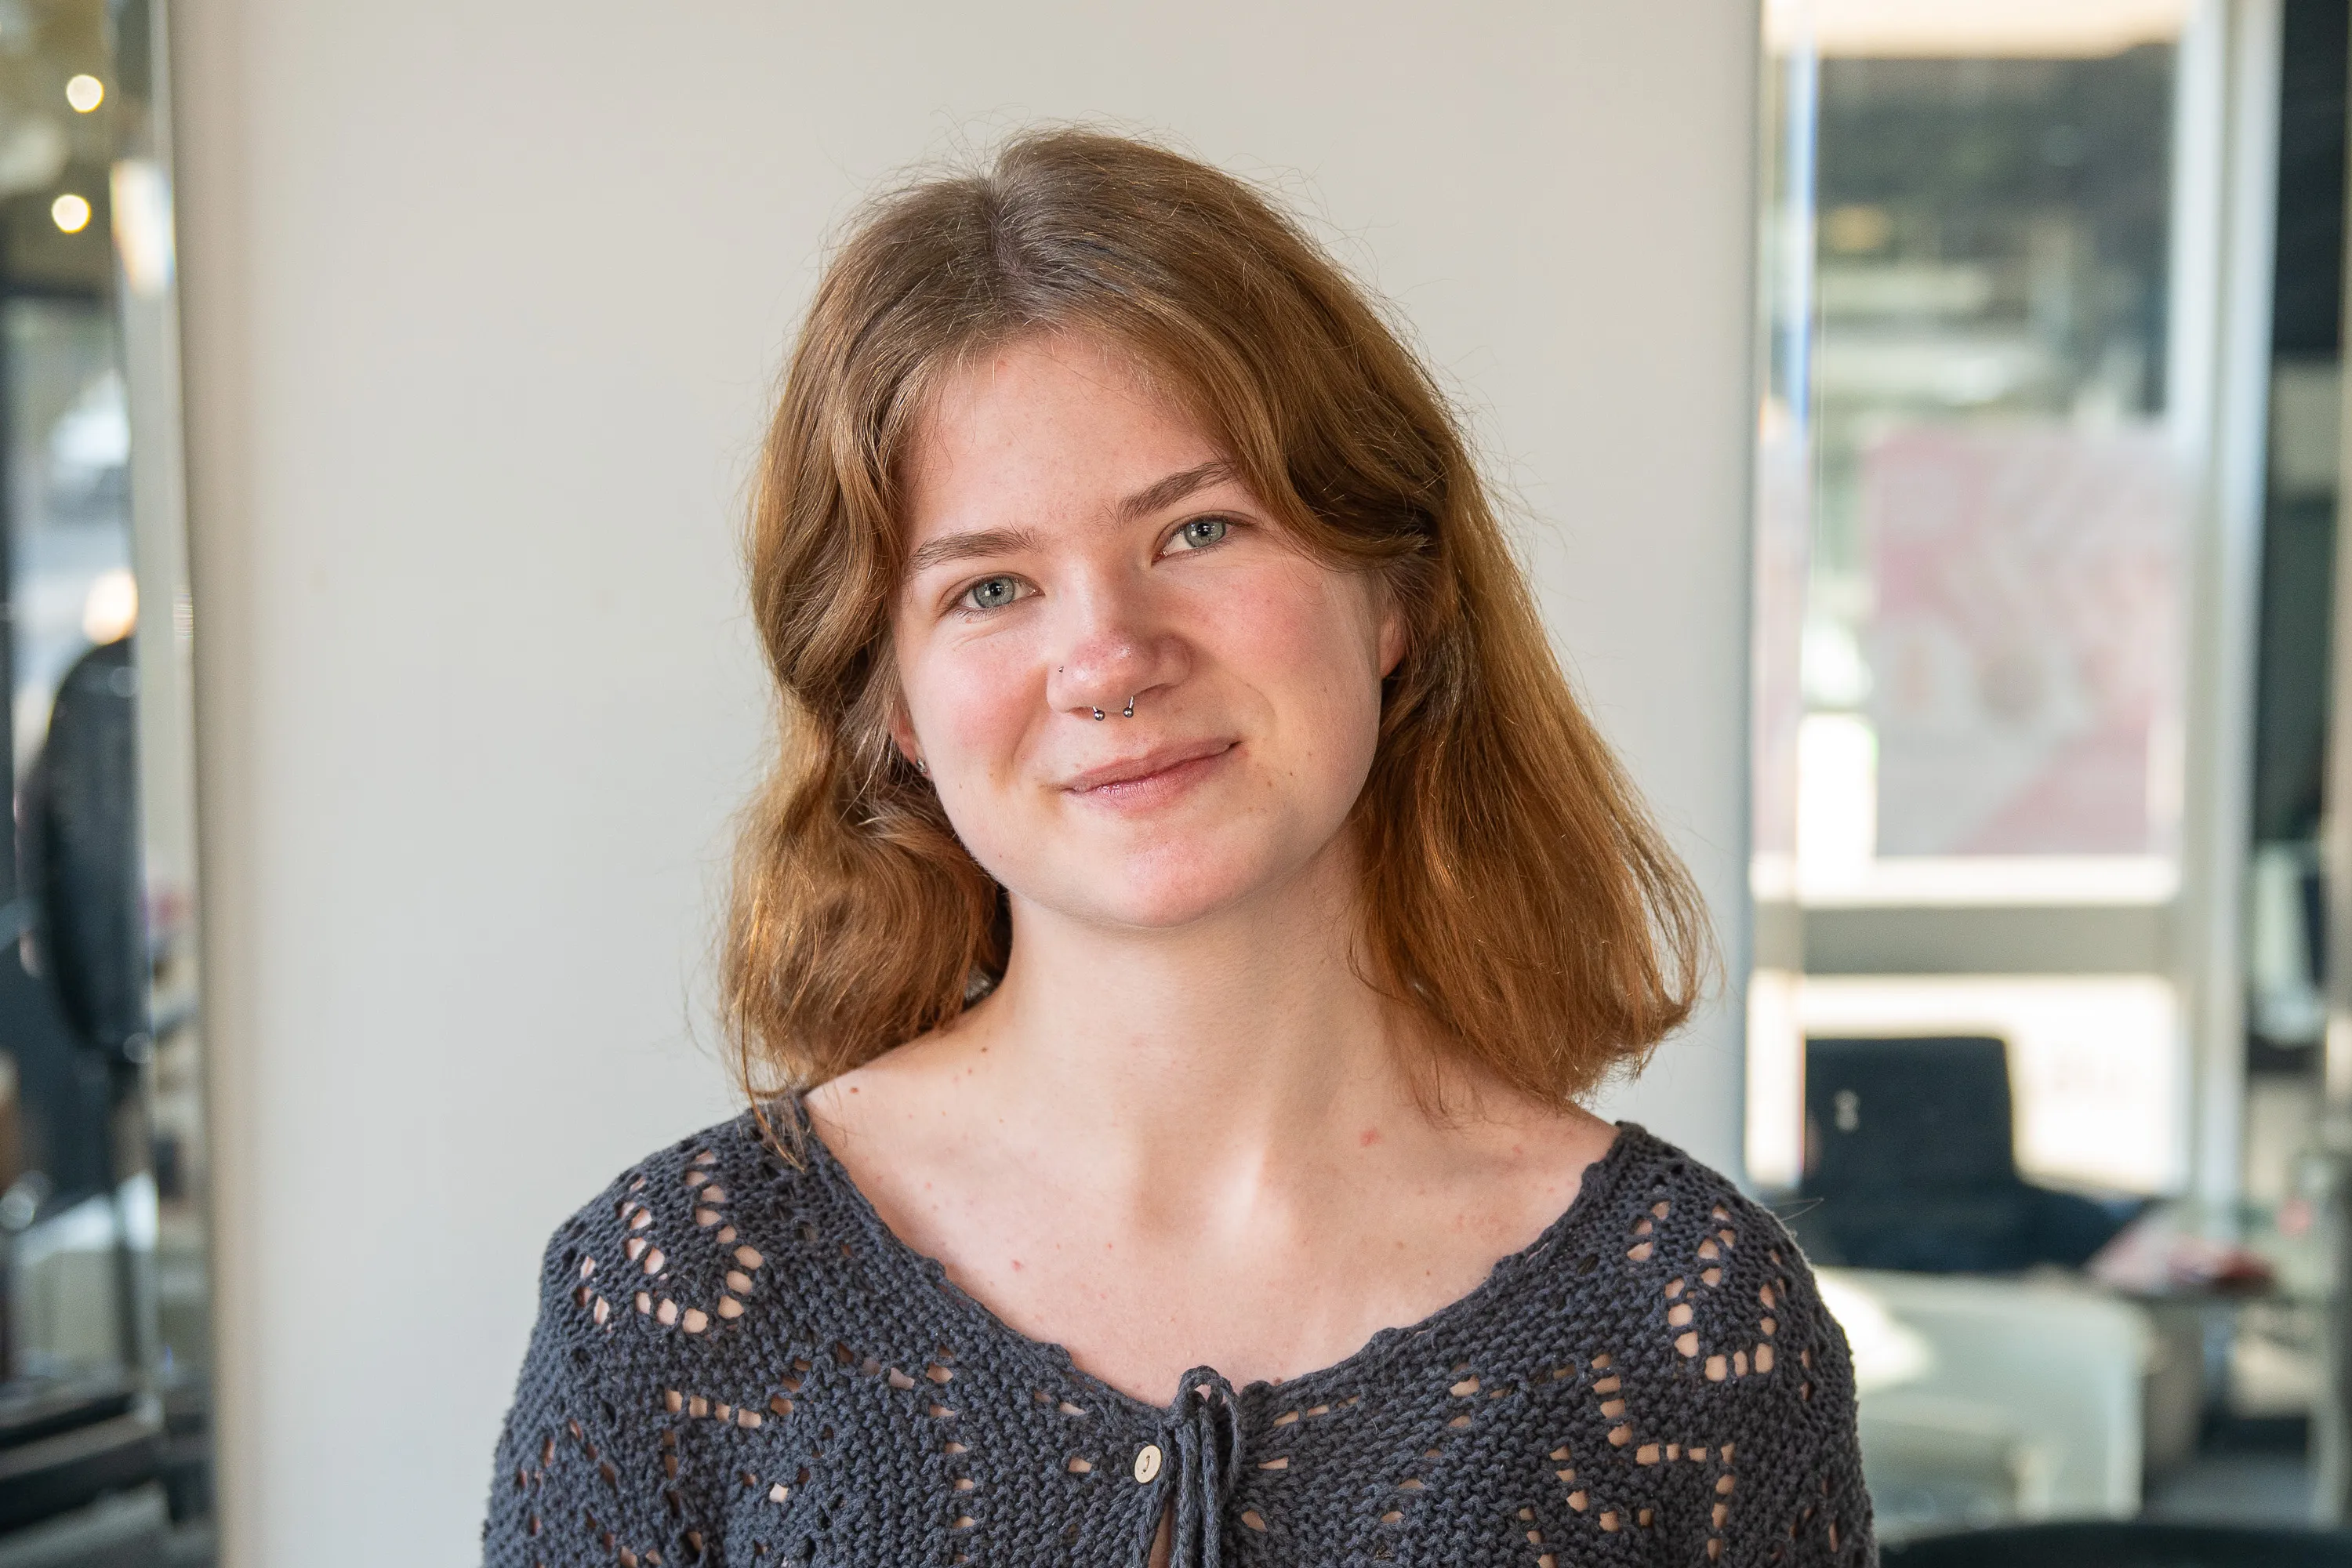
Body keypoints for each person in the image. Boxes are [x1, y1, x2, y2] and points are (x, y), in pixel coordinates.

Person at [484, 129, 1872, 1568]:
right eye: (991, 587)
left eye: (1201, 528)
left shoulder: (1690, 1328)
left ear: (1396, 592)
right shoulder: (682, 1295)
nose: (1109, 660)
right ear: (886, 700)